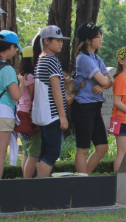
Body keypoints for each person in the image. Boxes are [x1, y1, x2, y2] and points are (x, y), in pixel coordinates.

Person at [72, 21, 113, 173]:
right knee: (83, 148)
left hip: (95, 106)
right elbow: (105, 79)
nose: (101, 39)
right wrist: (105, 83)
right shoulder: (84, 59)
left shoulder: (96, 58)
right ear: (88, 40)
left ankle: (84, 178)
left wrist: (103, 85)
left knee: (102, 147)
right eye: (97, 36)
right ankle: (81, 183)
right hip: (83, 107)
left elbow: (110, 80)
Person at [0, 30, 23, 180]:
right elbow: (16, 95)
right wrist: (21, 83)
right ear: (11, 47)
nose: (15, 51)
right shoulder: (7, 69)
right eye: (15, 48)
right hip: (2, 115)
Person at [34, 25, 70, 177]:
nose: (60, 43)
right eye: (57, 40)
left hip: (43, 113)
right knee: (52, 152)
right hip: (51, 115)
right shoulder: (52, 61)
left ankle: (39, 185)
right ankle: (40, 187)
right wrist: (62, 115)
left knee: (44, 152)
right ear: (46, 41)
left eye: (61, 40)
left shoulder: (41, 59)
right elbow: (56, 89)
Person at [17, 44, 40, 178]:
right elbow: (33, 95)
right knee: (34, 153)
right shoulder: (30, 77)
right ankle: (27, 182)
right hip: (29, 116)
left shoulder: (22, 75)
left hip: (21, 114)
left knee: (26, 152)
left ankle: (24, 179)